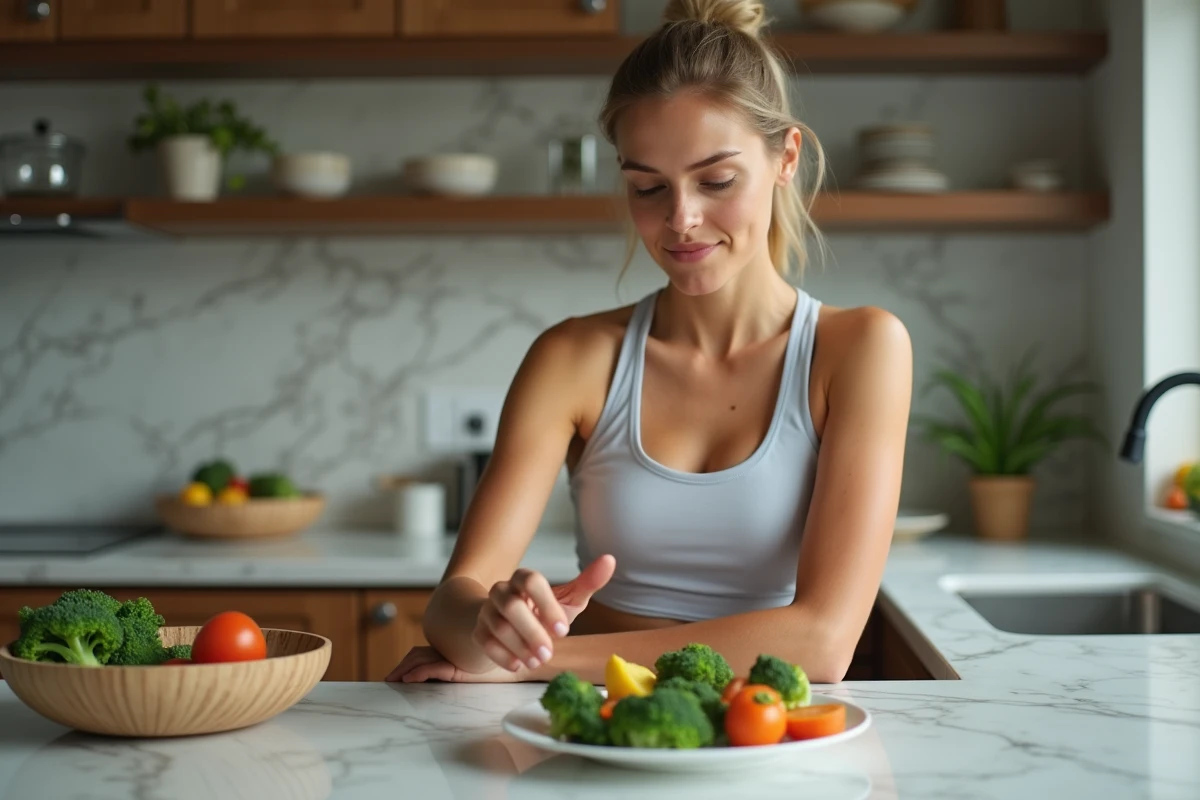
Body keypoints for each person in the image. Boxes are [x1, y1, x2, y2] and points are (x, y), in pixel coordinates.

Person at [387, 0, 912, 687]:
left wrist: (532, 664)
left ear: (786, 157)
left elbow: (821, 641)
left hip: (764, 745)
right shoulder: (573, 357)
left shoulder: (860, 348)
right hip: (597, 730)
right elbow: (453, 598)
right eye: (647, 187)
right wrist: (491, 625)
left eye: (716, 181)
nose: (681, 220)